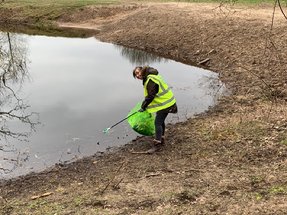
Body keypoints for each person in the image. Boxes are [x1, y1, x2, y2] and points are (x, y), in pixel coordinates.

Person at [133, 66, 178, 153]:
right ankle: (162, 139)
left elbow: (150, 96)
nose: (138, 75)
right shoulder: (150, 76)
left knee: (157, 123)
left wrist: (143, 107)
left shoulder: (150, 79)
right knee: (160, 121)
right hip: (167, 102)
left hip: (166, 103)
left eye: (138, 72)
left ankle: (157, 145)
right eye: (136, 75)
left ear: (143, 70)